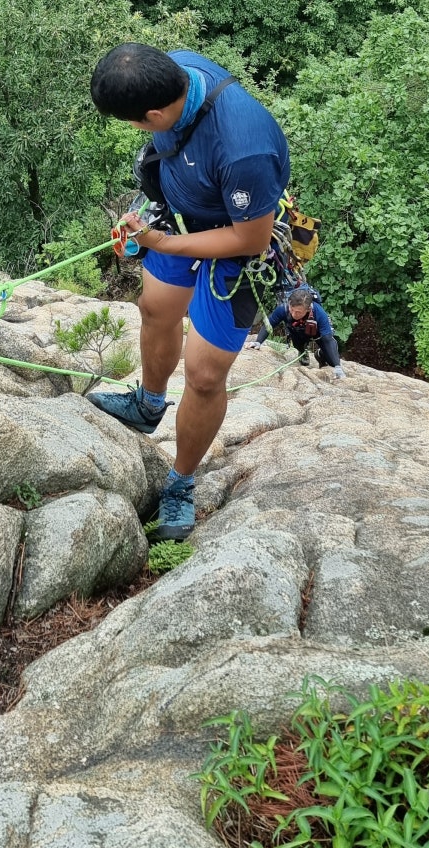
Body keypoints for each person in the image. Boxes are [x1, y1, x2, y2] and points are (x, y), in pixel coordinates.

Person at [88, 44, 290, 541]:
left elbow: (252, 238)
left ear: (155, 114)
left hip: (237, 242)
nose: (137, 131)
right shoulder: (171, 70)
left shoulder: (245, 145)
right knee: (155, 308)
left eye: (136, 123)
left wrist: (162, 243)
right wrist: (146, 222)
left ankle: (180, 482)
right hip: (177, 218)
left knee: (203, 376)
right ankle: (148, 405)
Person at [244, 285, 345, 375]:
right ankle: (302, 352)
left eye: (298, 312)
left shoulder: (319, 313)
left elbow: (328, 339)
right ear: (289, 303)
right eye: (292, 309)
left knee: (331, 362)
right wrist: (258, 342)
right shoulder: (283, 309)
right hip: (297, 331)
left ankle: (319, 354)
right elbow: (269, 325)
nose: (293, 314)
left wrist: (337, 366)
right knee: (298, 344)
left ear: (308, 309)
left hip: (317, 332)